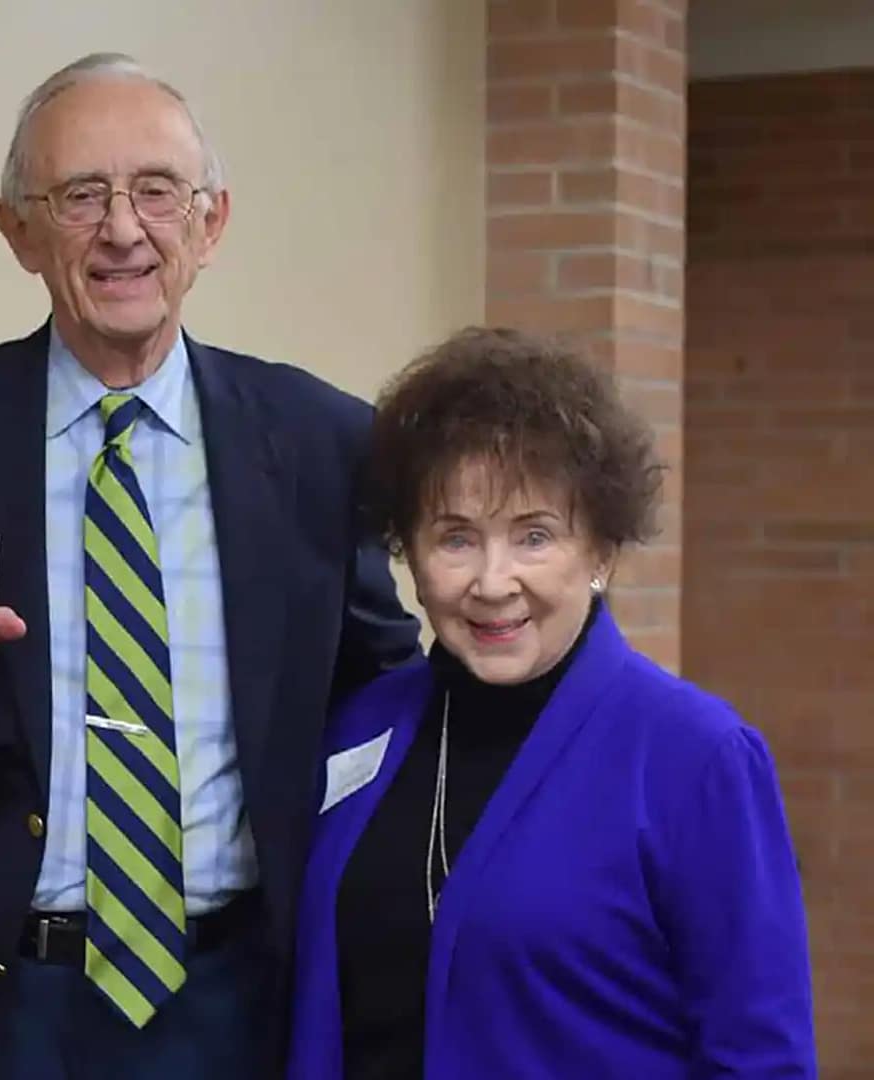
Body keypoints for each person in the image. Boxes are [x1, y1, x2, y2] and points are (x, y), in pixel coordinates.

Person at [0, 52, 421, 1079]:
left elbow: (379, 700)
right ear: (17, 230)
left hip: (232, 1003)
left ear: (210, 223)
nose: (123, 230)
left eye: (155, 192)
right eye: (79, 196)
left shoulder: (321, 443)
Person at [286, 327, 817, 1078]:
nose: (494, 581)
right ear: (408, 549)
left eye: (534, 537)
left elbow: (759, 1056)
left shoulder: (695, 757)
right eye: (456, 538)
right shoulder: (361, 727)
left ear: (600, 551)